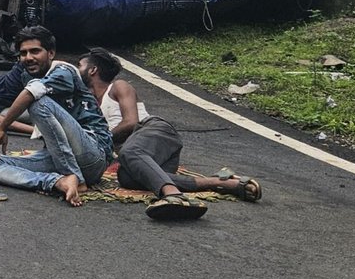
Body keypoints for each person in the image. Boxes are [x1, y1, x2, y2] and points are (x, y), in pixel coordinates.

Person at [77, 48, 262, 220]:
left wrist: (102, 141)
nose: (77, 70)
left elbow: (131, 122)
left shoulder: (117, 87)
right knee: (127, 179)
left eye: (80, 66)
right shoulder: (91, 105)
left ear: (92, 70)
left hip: (155, 131)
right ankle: (220, 183)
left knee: (128, 152)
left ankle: (173, 195)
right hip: (151, 159)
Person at [0, 27, 112, 205]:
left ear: (50, 53)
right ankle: (57, 182)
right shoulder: (27, 75)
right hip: (57, 156)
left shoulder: (64, 71)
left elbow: (30, 94)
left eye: (35, 51)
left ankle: (75, 178)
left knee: (37, 102)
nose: (28, 57)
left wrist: (2, 127)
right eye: (23, 53)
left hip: (93, 155)